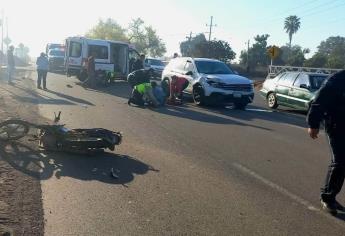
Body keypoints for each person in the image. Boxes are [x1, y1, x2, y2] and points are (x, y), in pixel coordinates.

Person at [307, 70, 345, 215]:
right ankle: (328, 198)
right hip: (337, 126)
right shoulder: (337, 79)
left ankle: (332, 196)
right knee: (340, 161)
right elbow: (319, 102)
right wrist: (313, 124)